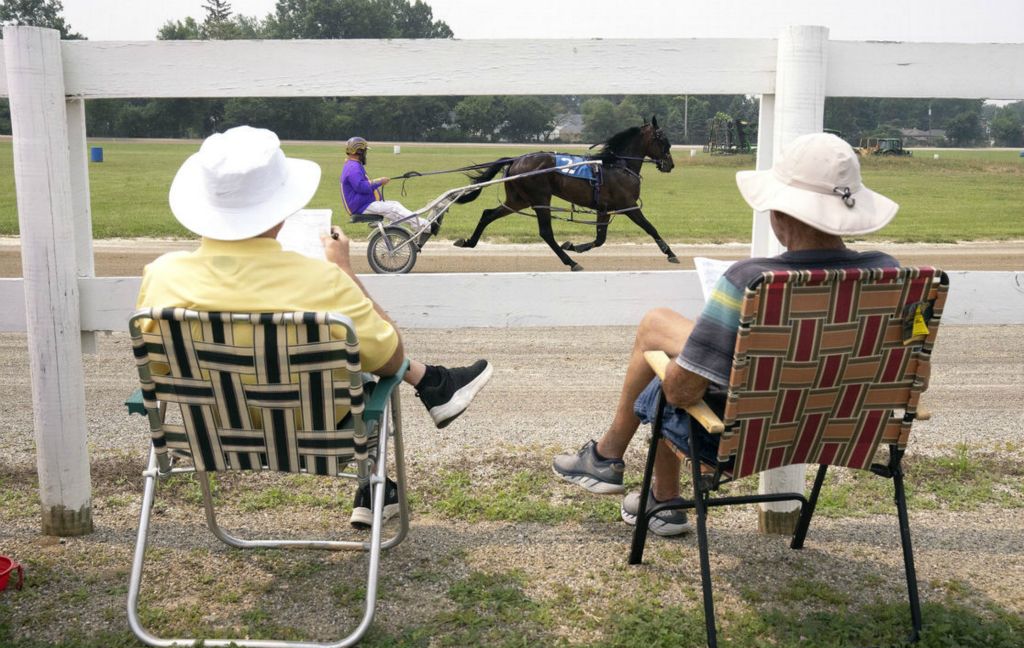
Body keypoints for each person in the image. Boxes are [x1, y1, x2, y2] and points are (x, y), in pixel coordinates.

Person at [137, 125, 493, 528]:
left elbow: (158, 372)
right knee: (360, 373)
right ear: (283, 210)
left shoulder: (162, 277)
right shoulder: (321, 282)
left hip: (211, 433)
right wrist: (343, 270)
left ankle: (393, 460)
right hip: (318, 433)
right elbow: (391, 355)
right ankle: (384, 465)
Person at [552, 132, 900, 536]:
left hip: (737, 439)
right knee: (662, 332)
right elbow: (914, 379)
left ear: (778, 213)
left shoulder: (750, 282)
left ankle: (640, 481)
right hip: (846, 430)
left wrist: (688, 362)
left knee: (662, 383)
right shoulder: (888, 274)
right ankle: (637, 481)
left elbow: (682, 394)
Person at [340, 136, 440, 246]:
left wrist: (379, 181)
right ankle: (427, 226)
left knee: (394, 205)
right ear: (359, 151)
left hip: (362, 204)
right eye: (364, 151)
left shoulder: (352, 165)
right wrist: (379, 181)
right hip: (361, 206)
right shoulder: (353, 167)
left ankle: (418, 228)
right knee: (394, 208)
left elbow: (362, 185)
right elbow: (361, 187)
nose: (365, 154)